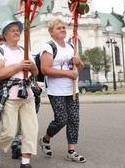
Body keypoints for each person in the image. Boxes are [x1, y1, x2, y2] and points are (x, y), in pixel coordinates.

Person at [0, 20, 40, 168]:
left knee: (31, 130)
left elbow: (35, 73)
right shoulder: (0, 51)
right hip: (10, 96)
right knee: (9, 132)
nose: (17, 32)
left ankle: (25, 163)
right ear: (5, 34)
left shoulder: (25, 51)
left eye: (18, 30)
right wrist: (19, 66)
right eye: (12, 30)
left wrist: (33, 66)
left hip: (27, 96)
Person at [38, 19, 86, 163]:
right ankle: (45, 139)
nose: (62, 30)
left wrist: (79, 63)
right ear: (51, 32)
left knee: (74, 120)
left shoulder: (71, 46)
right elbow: (45, 69)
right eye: (58, 28)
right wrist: (67, 74)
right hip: (56, 90)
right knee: (61, 119)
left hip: (71, 90)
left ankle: (71, 151)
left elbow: (80, 68)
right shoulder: (48, 47)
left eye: (64, 27)